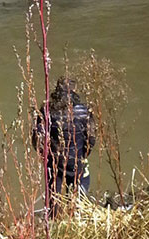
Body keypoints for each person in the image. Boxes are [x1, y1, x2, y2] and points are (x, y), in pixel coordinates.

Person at [33, 77, 96, 215]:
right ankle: (73, 220)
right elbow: (91, 138)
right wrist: (83, 155)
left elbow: (37, 137)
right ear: (74, 91)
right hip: (76, 161)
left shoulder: (46, 110)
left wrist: (45, 155)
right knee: (76, 198)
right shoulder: (85, 111)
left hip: (54, 161)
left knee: (53, 196)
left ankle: (53, 222)